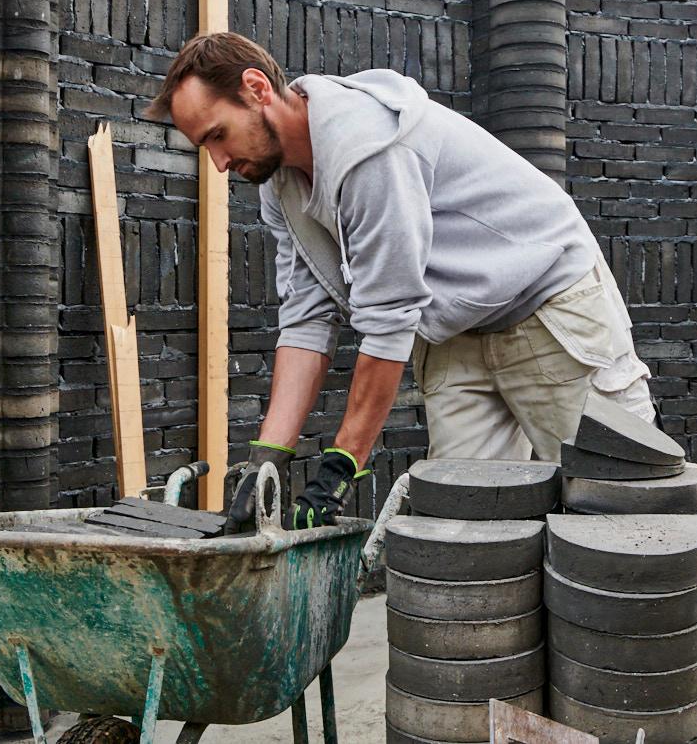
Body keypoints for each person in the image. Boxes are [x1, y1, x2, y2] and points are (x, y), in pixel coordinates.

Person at [146, 32, 656, 531]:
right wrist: (266, 460)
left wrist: (340, 467)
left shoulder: (369, 148)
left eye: (217, 135)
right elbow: (306, 317)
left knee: (622, 508)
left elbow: (388, 321)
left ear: (256, 89)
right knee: (463, 530)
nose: (217, 163)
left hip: (549, 311)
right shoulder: (279, 185)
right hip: (458, 333)